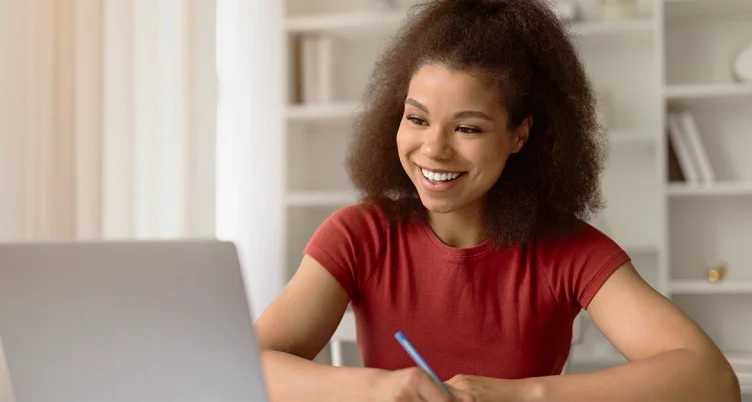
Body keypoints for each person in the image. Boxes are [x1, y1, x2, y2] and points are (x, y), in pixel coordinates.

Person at [254, 0, 741, 401]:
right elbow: (251, 364)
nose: (433, 149)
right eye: (417, 119)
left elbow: (711, 379)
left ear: (518, 135)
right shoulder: (360, 235)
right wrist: (378, 388)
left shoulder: (567, 250)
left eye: (467, 128)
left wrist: (525, 394)